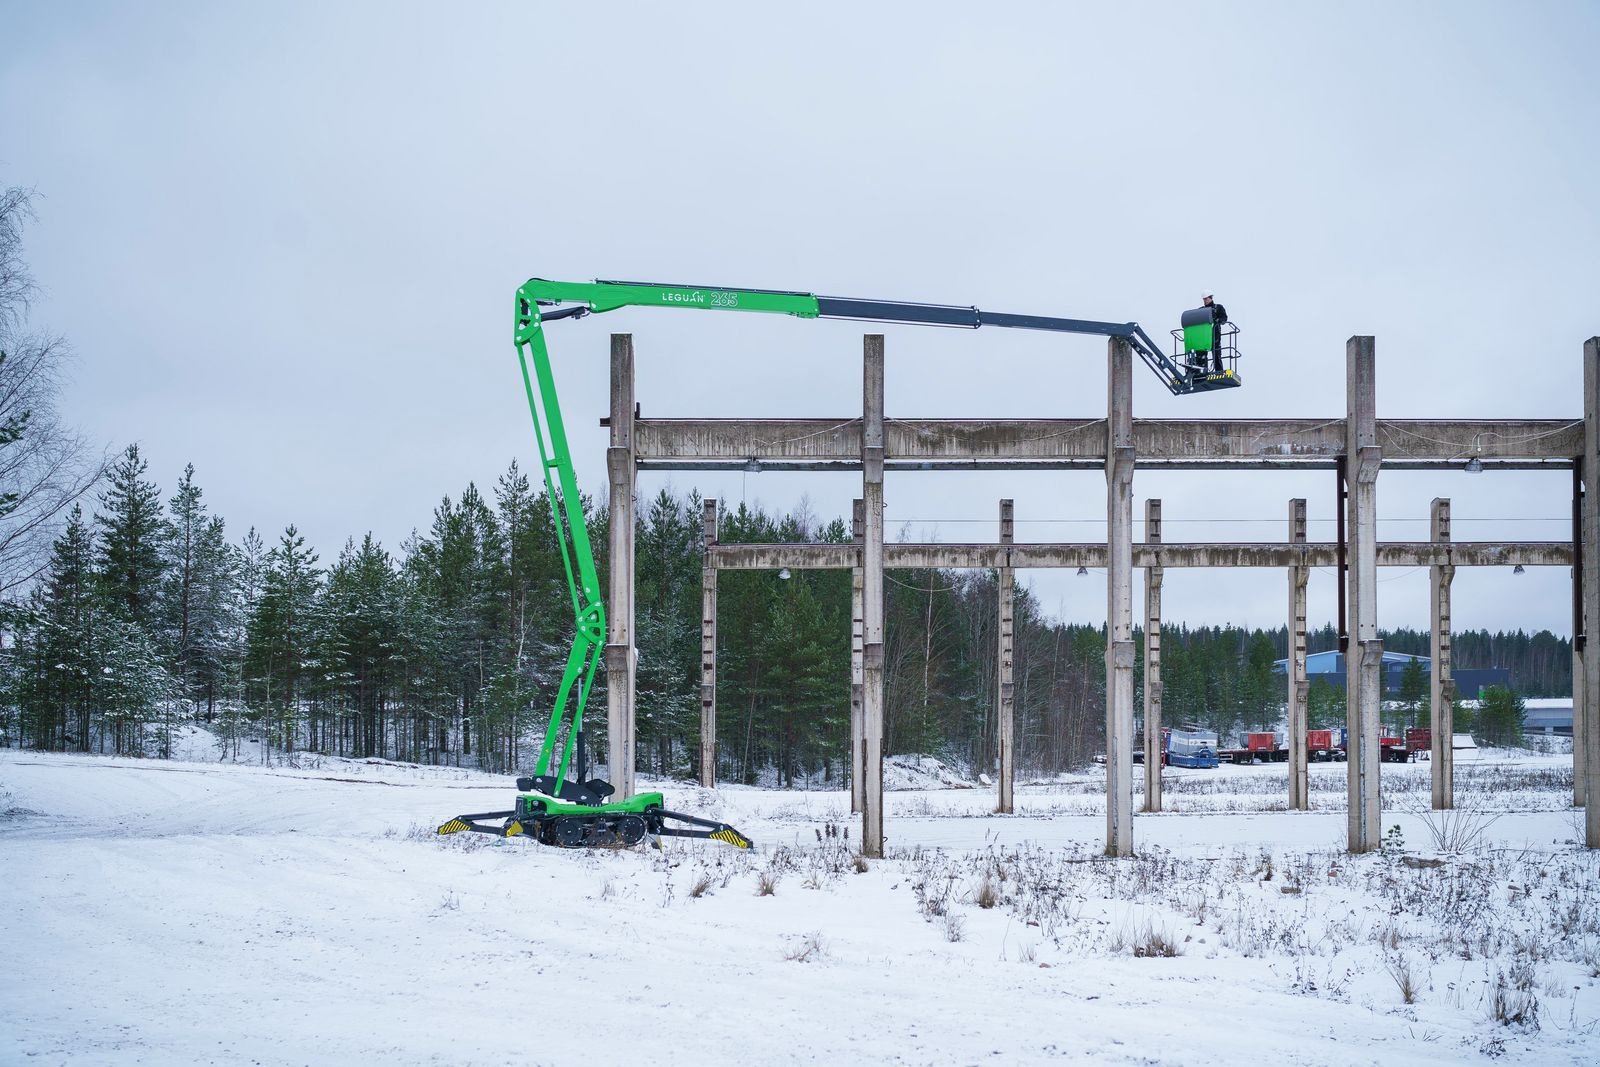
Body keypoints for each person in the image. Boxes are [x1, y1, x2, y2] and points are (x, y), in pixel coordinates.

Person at [1201, 290, 1228, 374]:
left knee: (1216, 352)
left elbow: (1224, 318)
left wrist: (1218, 320)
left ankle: (1218, 372)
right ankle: (1202, 372)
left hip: (1215, 334)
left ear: (1210, 298)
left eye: (1206, 299)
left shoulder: (1218, 308)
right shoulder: (1201, 310)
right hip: (1204, 335)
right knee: (1201, 353)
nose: (1205, 301)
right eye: (1204, 299)